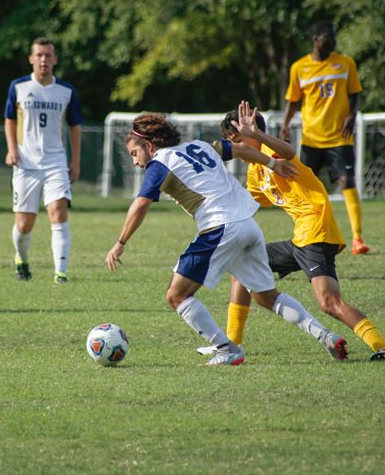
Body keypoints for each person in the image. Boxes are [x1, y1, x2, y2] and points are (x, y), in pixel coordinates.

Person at [105, 112, 349, 366]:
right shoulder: (200, 146)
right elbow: (242, 149)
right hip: (249, 226)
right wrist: (272, 164)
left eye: (134, 154)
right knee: (267, 297)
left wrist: (120, 243)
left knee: (176, 296)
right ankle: (326, 336)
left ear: (148, 145)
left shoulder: (160, 163)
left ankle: (226, 349)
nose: (135, 162)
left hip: (221, 228)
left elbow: (141, 204)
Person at [201, 102, 385, 360]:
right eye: (230, 141)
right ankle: (231, 346)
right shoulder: (255, 171)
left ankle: (384, 347)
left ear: (252, 134)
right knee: (241, 268)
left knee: (330, 303)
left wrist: (259, 135)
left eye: (237, 139)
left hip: (316, 231)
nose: (235, 147)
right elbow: (247, 204)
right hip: (301, 237)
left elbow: (288, 150)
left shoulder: (271, 152)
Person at [280, 21, 370, 255]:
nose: (333, 42)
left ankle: (358, 239)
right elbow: (293, 100)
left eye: (334, 38)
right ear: (316, 40)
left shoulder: (345, 64)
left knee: (346, 181)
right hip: (311, 138)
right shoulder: (299, 67)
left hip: (340, 138)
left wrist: (352, 116)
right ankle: (307, 233)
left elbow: (355, 95)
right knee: (303, 187)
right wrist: (285, 125)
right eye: (328, 38)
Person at [4, 37, 82, 283]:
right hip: (26, 164)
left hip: (55, 163)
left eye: (48, 55)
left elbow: (75, 126)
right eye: (39, 55)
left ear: (55, 59)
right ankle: (21, 259)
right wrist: (12, 149)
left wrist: (76, 160)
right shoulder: (18, 87)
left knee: (58, 212)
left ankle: (61, 274)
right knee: (25, 225)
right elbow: (9, 119)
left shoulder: (66, 91)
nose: (43, 59)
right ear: (31, 58)